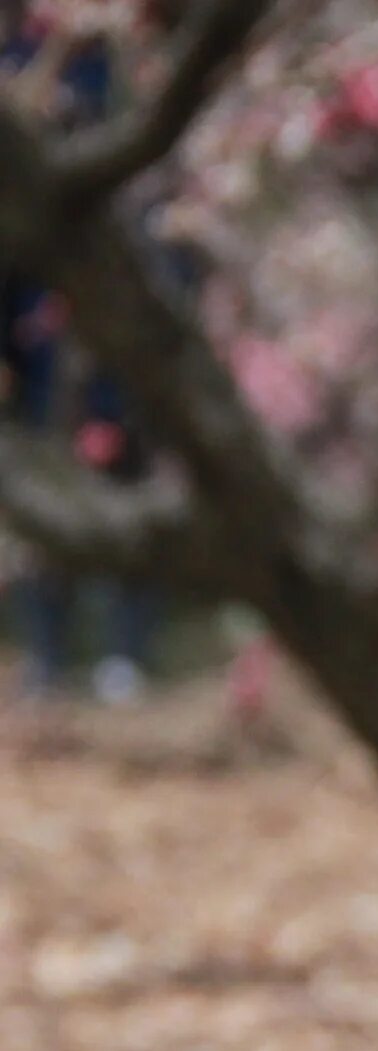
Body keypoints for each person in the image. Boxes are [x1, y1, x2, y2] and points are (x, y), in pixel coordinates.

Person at [2, 5, 160, 702]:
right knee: (45, 479)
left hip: (107, 311)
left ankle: (124, 656)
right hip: (31, 313)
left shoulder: (111, 58)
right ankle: (49, 656)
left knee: (125, 475)